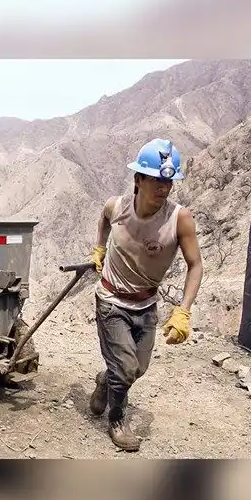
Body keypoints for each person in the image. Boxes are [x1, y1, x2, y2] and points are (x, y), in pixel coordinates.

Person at [87, 139, 204, 452]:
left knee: (137, 369)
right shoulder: (117, 206)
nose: (164, 188)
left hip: (147, 304)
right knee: (124, 369)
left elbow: (195, 265)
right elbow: (103, 218)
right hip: (111, 300)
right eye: (156, 180)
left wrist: (184, 310)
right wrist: (99, 247)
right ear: (138, 179)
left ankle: (106, 379)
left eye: (169, 181)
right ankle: (117, 419)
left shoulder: (180, 219)